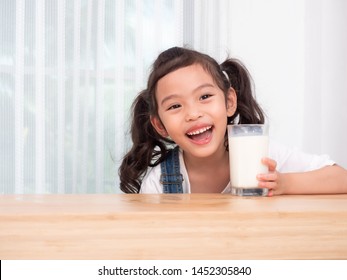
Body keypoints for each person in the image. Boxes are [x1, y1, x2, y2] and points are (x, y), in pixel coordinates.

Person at [119, 46, 347, 195]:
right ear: (160, 125)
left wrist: (285, 184)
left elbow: (341, 179)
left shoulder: (262, 156)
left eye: (205, 97)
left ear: (229, 102)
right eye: (175, 106)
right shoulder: (158, 182)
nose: (193, 113)